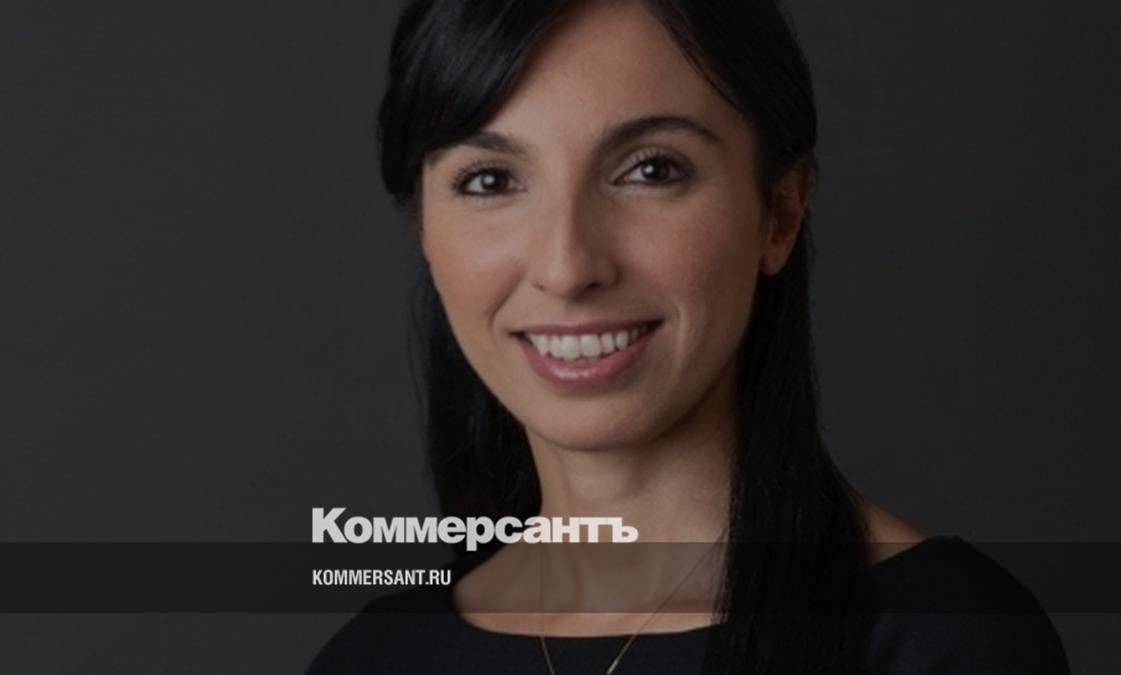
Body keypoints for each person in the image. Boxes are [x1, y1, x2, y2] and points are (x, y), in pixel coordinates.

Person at [309, 0, 1071, 672]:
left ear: (781, 211)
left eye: (650, 170)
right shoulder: (372, 659)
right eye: (490, 180)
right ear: (425, 229)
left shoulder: (944, 639)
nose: (567, 266)